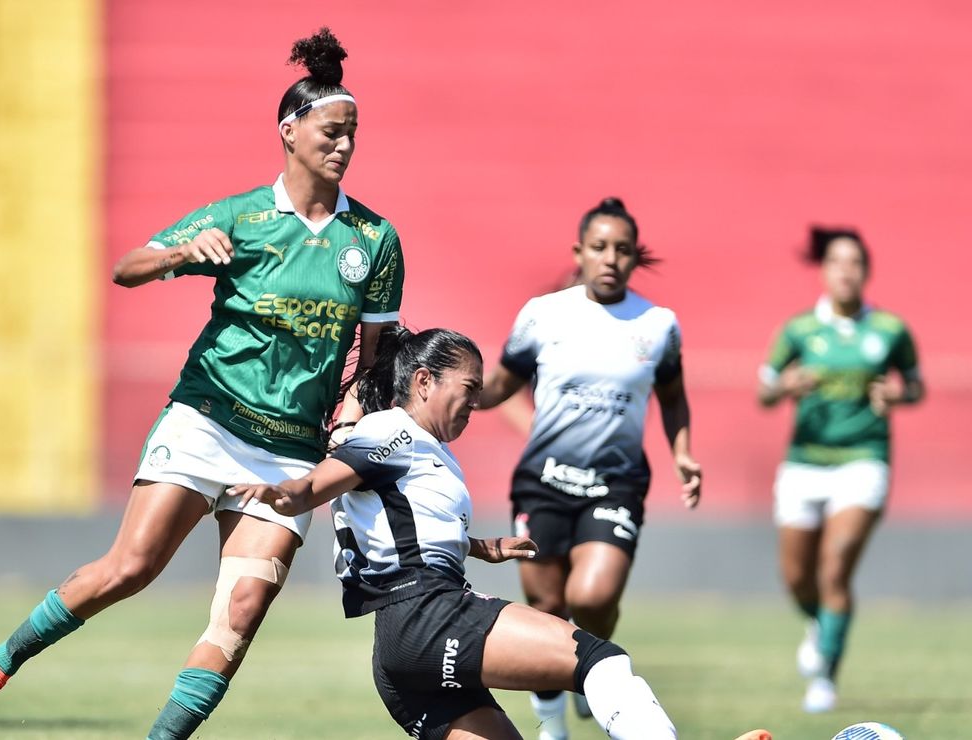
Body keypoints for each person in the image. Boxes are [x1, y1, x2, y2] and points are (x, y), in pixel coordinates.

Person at [0, 28, 405, 740]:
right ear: (289, 131)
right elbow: (128, 267)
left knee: (240, 616)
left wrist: (347, 416)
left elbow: (374, 358)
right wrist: (182, 254)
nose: (344, 146)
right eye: (331, 132)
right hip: (208, 421)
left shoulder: (373, 240)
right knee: (130, 568)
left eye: (353, 135)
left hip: (288, 453)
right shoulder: (239, 217)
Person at [234, 327, 765, 740]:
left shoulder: (402, 444)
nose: (475, 404)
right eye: (468, 389)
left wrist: (478, 547)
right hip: (429, 614)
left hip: (398, 653)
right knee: (601, 663)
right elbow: (318, 486)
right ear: (424, 382)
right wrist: (287, 493)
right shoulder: (397, 432)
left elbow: (395, 525)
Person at [475, 197, 701, 740]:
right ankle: (551, 721)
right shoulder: (543, 314)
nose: (610, 259)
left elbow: (672, 397)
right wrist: (443, 394)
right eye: (599, 247)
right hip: (544, 481)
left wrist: (683, 453)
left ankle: (594, 672)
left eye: (623, 250)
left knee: (594, 599)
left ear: (634, 258)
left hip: (615, 483)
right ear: (578, 252)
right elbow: (500, 387)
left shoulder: (658, 325)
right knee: (548, 607)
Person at [758, 227, 923, 713]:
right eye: (837, 262)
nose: (846, 271)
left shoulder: (890, 330)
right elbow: (765, 390)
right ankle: (820, 622)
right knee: (796, 577)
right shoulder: (799, 330)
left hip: (864, 459)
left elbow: (915, 385)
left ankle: (825, 676)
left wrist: (900, 394)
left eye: (855, 263)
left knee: (836, 564)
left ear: (866, 272)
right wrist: (785, 384)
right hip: (804, 462)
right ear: (825, 270)